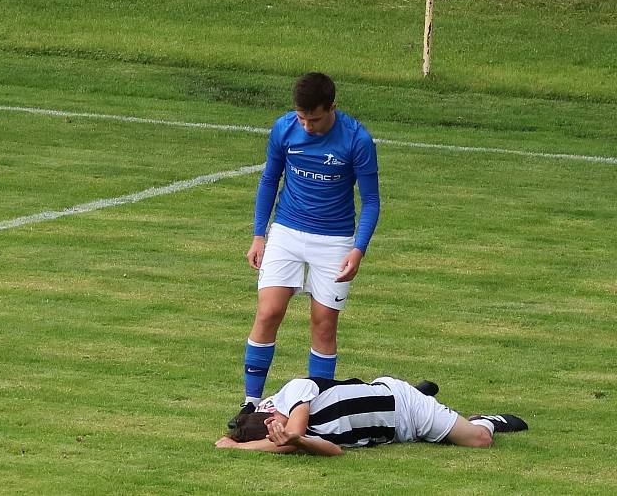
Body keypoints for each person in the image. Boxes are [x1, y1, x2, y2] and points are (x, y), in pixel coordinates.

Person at [233, 72, 381, 425]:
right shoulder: (284, 129)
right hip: (286, 231)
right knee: (268, 312)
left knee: (324, 325)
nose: (307, 126)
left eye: (314, 119)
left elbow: (372, 200)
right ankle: (250, 403)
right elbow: (270, 178)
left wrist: (358, 249)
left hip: (335, 241)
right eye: (301, 118)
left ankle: (317, 408)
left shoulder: (357, 140)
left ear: (332, 107)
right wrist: (259, 234)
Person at [216, 376, 528, 456]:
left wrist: (292, 436)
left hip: (404, 404)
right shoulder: (304, 439)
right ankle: (427, 394)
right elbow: (333, 451)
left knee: (481, 441)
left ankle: (485, 419)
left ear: (269, 410)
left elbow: (293, 430)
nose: (282, 431)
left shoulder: (295, 391)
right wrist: (296, 441)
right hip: (397, 430)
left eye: (276, 425)